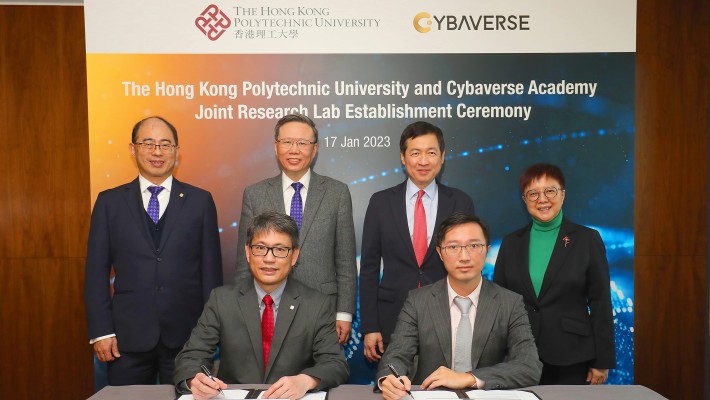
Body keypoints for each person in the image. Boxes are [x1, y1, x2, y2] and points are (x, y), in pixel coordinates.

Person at [84, 116, 223, 385]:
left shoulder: (200, 201)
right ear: (133, 148)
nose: (157, 152)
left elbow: (211, 274)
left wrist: (209, 334)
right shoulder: (109, 202)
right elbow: (95, 273)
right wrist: (101, 331)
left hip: (188, 338)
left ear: (176, 151)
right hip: (126, 339)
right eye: (148, 143)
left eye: (165, 144)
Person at [174, 210, 349, 400]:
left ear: (294, 255)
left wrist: (306, 380)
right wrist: (194, 380)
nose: (269, 259)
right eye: (260, 248)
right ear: (248, 252)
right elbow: (191, 357)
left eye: (280, 249)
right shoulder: (221, 299)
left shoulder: (317, 304)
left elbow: (335, 363)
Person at [377, 212, 541, 400]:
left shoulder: (510, 303)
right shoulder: (418, 300)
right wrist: (389, 380)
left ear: (486, 250)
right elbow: (396, 356)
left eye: (473, 246)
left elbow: (529, 366)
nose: (464, 257)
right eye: (453, 247)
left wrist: (469, 378)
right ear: (440, 253)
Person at [235, 113, 357, 344]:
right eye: (287, 142)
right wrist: (242, 309)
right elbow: (245, 261)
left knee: (319, 375)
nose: (294, 150)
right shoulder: (255, 194)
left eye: (302, 143)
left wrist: (344, 312)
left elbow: (346, 260)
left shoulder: (337, 193)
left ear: (315, 148)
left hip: (323, 308)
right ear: (276, 146)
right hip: (267, 306)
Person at [360, 121, 474, 363]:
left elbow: (469, 265)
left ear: (442, 157)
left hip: (447, 318)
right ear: (403, 157)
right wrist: (370, 326)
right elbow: (369, 268)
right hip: (392, 319)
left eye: (431, 153)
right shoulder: (381, 203)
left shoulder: (459, 202)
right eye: (415, 153)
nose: (423, 161)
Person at [493, 163, 616, 385]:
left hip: (572, 356)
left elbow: (601, 303)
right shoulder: (511, 243)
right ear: (524, 199)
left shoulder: (587, 239)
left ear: (563, 194)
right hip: (519, 356)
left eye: (550, 191)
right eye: (533, 193)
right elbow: (499, 304)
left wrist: (602, 360)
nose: (542, 199)